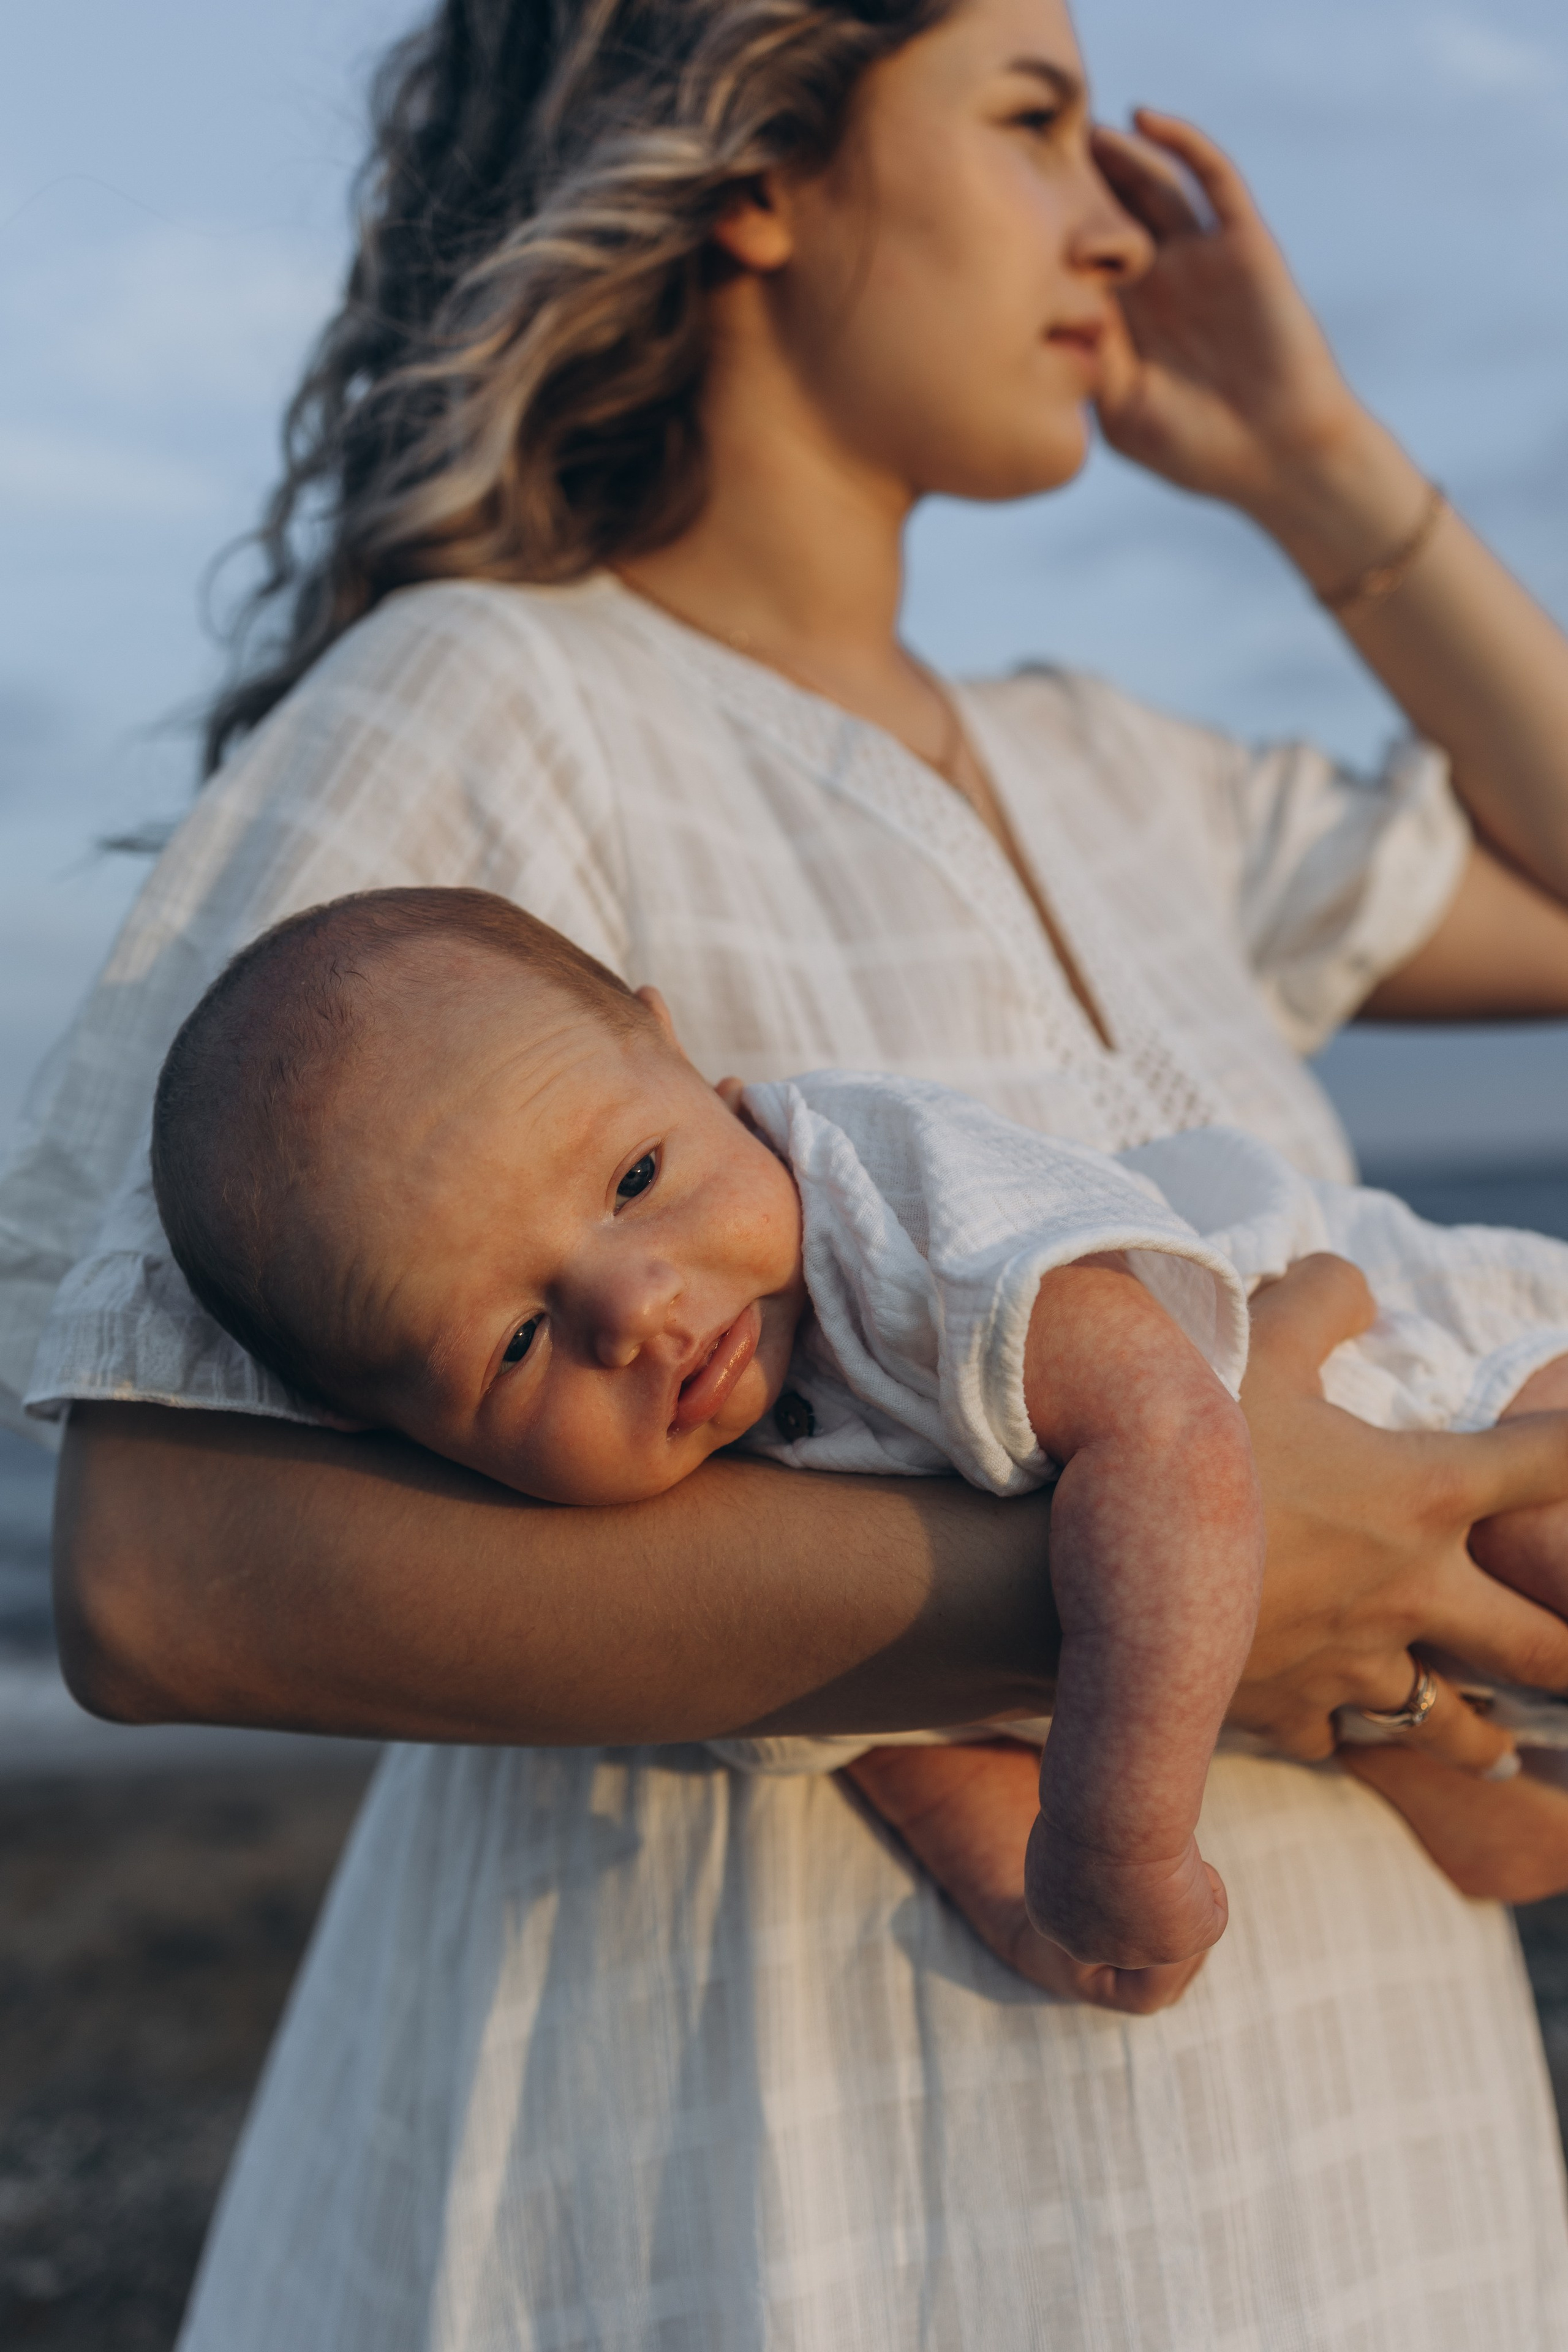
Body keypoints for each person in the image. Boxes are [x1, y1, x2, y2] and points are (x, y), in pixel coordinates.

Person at [6, 0, 1568, 2337]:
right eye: (1033, 116)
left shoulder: (1123, 772)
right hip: (808, 2191)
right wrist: (1161, 1574)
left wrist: (1319, 468)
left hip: (1362, 2178)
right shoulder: (480, 693)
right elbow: (161, 1574)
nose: (1111, 221)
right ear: (759, 166)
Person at [150, 884, 1568, 1974]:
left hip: (1431, 1365)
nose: (635, 1304)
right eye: (515, 1341)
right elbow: (910, 1746)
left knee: (1532, 1539)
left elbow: (1177, 1440)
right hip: (1381, 1623)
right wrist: (1039, 1912)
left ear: (682, 1055)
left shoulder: (885, 1208)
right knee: (1505, 1830)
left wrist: (1110, 1833)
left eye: (637, 1172)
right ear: (400, 1434)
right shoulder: (716, 1564)